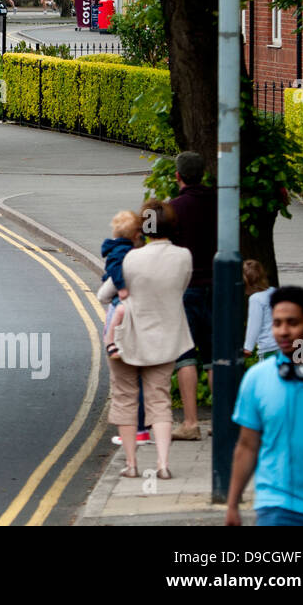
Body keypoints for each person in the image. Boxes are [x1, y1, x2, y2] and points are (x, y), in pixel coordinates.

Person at [227, 286, 303, 526]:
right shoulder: (257, 378)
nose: (283, 332)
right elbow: (247, 445)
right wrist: (232, 504)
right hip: (279, 507)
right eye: (277, 323)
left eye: (292, 323)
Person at [98, 199, 192, 483]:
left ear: (144, 228)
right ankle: (163, 464)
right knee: (160, 400)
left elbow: (105, 294)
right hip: (166, 338)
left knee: (125, 399)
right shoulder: (184, 256)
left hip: (127, 340)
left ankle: (131, 464)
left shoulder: (130, 258)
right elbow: (181, 288)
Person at [167, 150, 216, 441]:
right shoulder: (220, 203)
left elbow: (155, 238)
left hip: (186, 288)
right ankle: (223, 423)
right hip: (218, 288)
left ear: (178, 176)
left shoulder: (173, 208)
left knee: (186, 356)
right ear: (203, 174)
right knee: (214, 356)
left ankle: (190, 423)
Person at [100, 210, 143, 358]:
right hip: (117, 285)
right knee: (118, 310)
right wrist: (122, 287)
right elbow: (115, 268)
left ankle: (110, 338)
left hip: (116, 284)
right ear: (134, 234)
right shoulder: (122, 250)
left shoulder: (120, 246)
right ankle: (110, 341)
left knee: (114, 310)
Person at [242, 260, 279, 360]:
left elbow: (254, 325)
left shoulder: (256, 299)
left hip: (268, 347)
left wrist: (248, 347)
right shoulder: (274, 291)